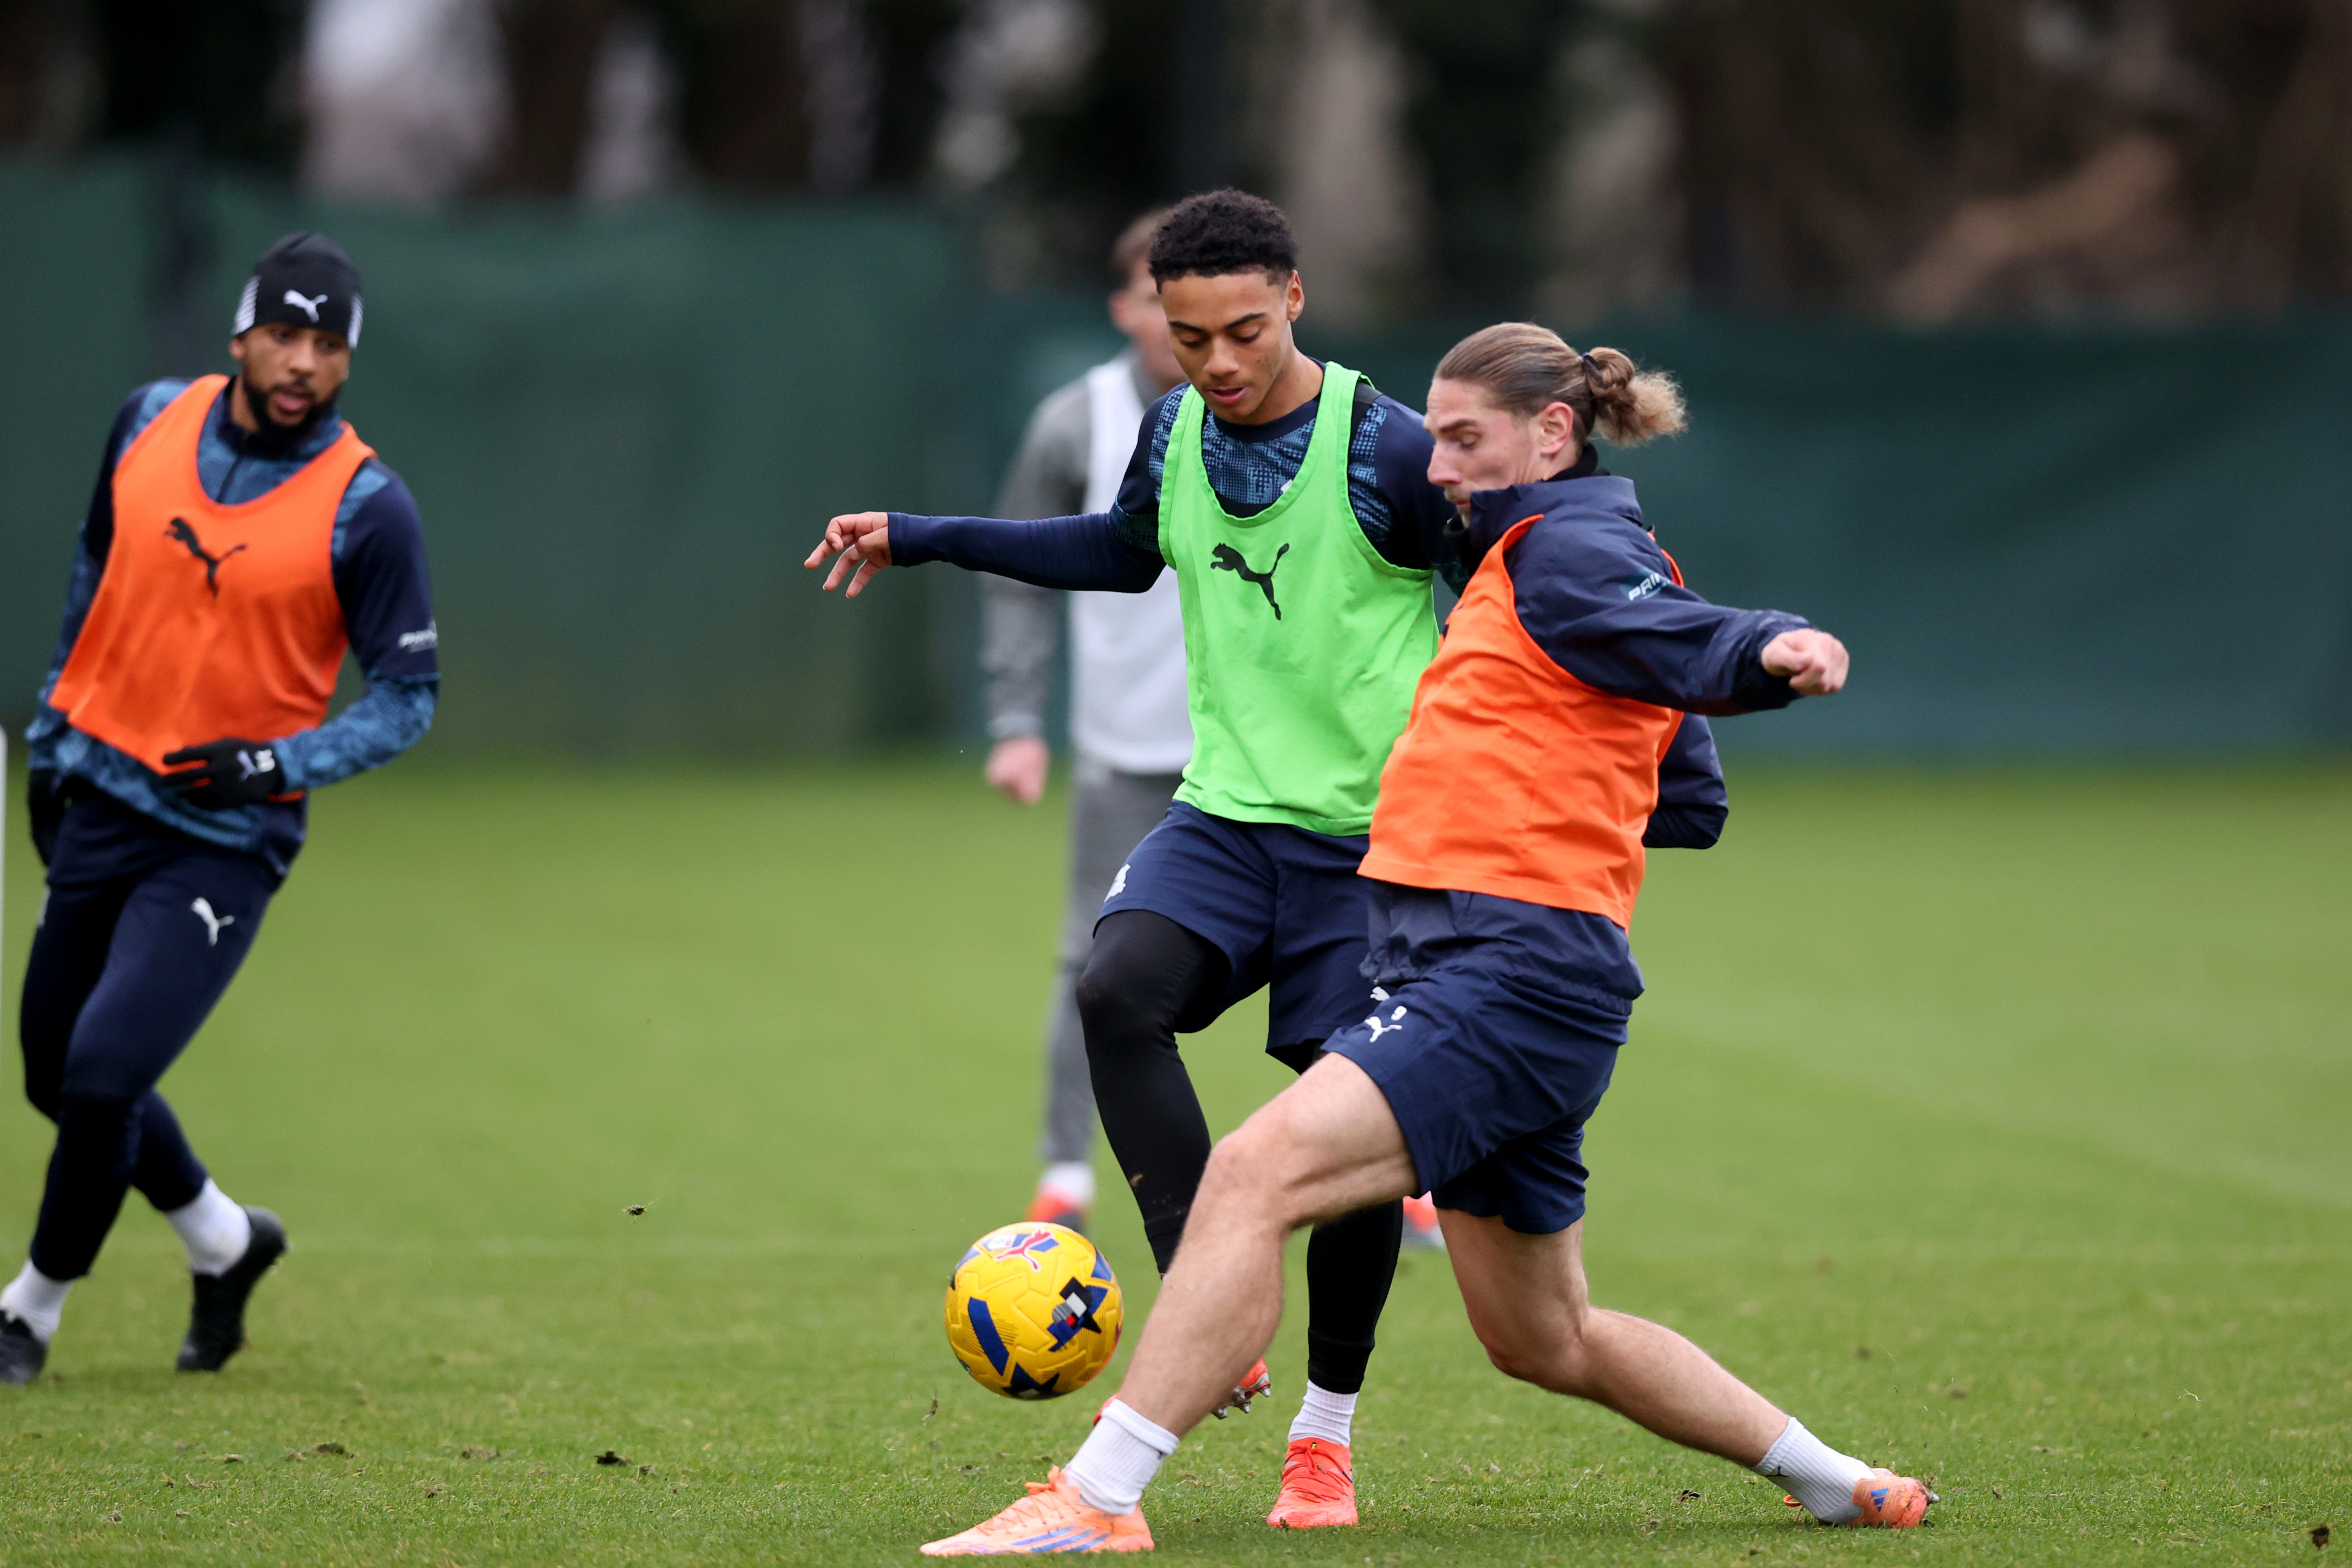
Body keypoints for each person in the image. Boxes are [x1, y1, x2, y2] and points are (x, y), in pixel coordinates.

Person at [917, 325, 1935, 1555]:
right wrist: (1541, 793)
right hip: (1523, 981)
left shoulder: (1570, 549)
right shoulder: (1526, 560)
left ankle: (1097, 1497)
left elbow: (1688, 636)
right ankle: (1833, 1479)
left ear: (1549, 436)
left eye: (1462, 440)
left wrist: (1767, 650)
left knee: (1248, 1177)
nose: (1436, 464)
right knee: (1543, 1338)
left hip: (1501, 980)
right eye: (1436, 438)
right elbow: (1689, 796)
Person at [809, 189, 1463, 1529]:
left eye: (1241, 332)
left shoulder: (1388, 449)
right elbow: (1115, 554)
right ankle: (1205, 1296)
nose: (1214, 363)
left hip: (1369, 848)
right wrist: (922, 535)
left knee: (1348, 1126)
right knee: (1114, 991)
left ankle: (1324, 1439)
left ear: (1293, 298)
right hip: (1223, 820)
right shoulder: (1172, 432)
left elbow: (1514, 582)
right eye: (1187, 337)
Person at [2, 232, 439, 1386]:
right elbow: (95, 577)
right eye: (284, 336)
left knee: (101, 1078)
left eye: (328, 345)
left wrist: (275, 764)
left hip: (224, 841)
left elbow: (408, 699)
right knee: (51, 1073)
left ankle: (29, 1313)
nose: (303, 363)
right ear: (242, 337)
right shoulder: (149, 418)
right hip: (97, 793)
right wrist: (53, 734)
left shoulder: (370, 506)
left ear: (348, 362)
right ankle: (226, 1240)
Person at [980, 210, 1188, 1237]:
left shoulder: (1299, 417)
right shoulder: (1077, 423)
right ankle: (1067, 1172)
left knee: (1349, 952)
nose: (1180, 318)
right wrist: (1018, 718)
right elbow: (1020, 573)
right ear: (1124, 308)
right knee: (1092, 962)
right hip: (1125, 748)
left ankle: (1398, 1170)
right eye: (1158, 295)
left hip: (1273, 754)